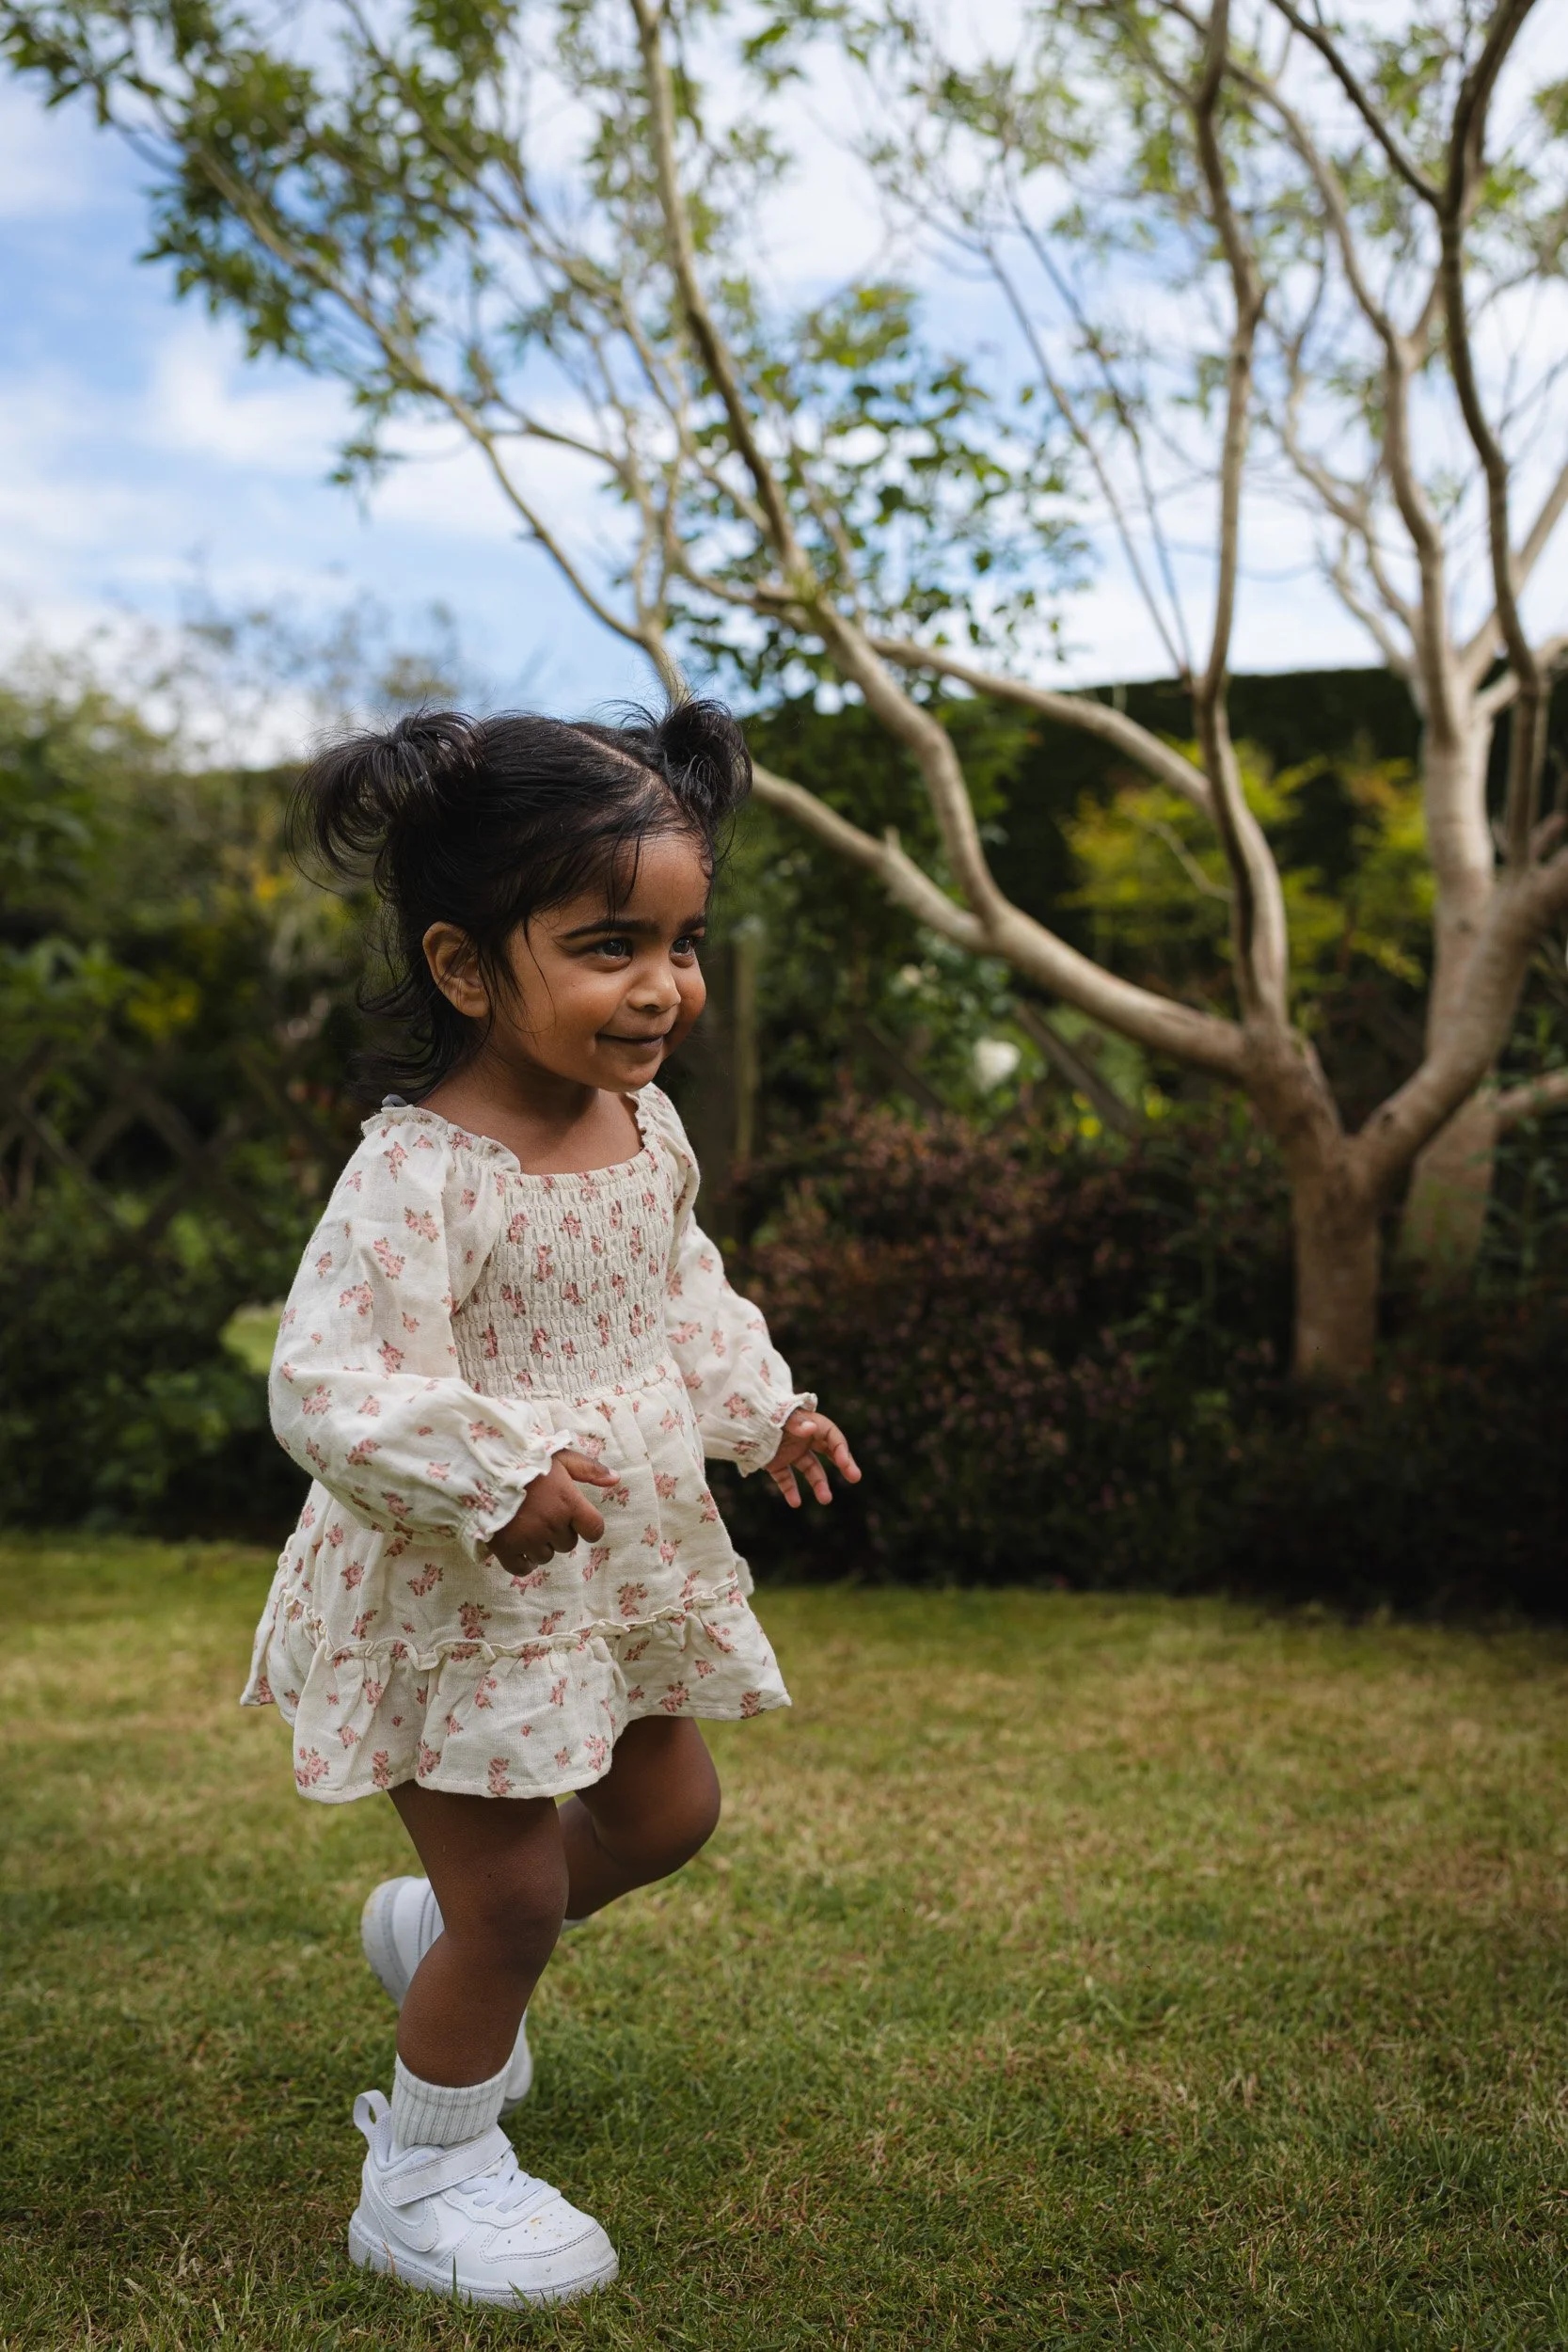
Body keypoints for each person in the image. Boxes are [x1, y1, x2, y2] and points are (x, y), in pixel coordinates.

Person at [242, 700, 858, 2308]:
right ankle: (427, 2168)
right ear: (465, 966)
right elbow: (329, 1381)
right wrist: (489, 1476)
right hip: (461, 1584)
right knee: (513, 1903)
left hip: (617, 1561)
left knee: (667, 1815)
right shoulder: (419, 1170)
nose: (663, 986)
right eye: (608, 944)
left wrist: (759, 1407)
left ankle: (426, 1932)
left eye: (683, 940)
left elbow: (681, 1297)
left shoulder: (642, 1132)